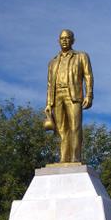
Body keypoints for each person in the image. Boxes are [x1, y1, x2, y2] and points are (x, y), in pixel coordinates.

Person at [44, 29, 93, 163]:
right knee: (60, 129)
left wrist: (89, 95)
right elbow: (49, 84)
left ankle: (75, 157)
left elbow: (88, 76)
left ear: (73, 40)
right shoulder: (53, 62)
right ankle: (64, 158)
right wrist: (48, 103)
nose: (64, 40)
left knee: (75, 126)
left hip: (73, 94)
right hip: (57, 96)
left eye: (67, 38)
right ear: (58, 41)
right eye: (62, 38)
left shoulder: (81, 56)